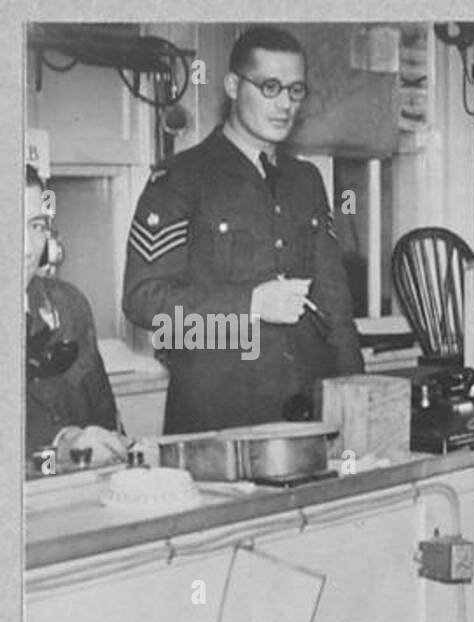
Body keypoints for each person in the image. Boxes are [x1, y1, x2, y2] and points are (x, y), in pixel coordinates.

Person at [122, 25, 363, 434]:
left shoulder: (306, 180)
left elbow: (335, 305)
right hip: (219, 421)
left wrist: (359, 398)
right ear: (233, 85)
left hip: (308, 417)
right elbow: (144, 304)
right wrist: (249, 304)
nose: (285, 103)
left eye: (295, 90)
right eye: (270, 86)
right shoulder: (180, 178)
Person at [25, 164, 125, 469]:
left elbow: (106, 424)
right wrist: (61, 449)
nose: (27, 249)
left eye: (36, 226)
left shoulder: (69, 306)